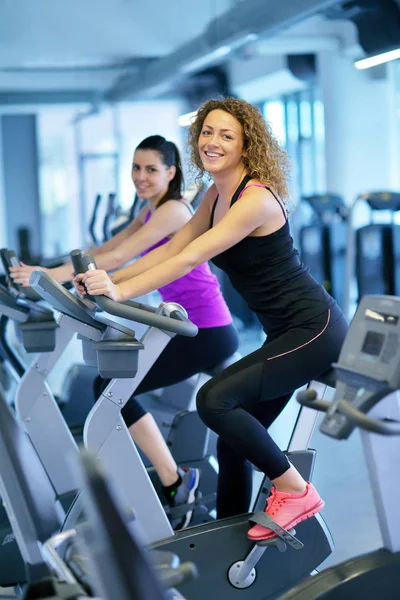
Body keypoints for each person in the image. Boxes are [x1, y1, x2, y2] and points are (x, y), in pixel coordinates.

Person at [74, 99, 348, 542]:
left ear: (246, 145)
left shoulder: (255, 197)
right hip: (287, 331)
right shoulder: (214, 195)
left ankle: (295, 490)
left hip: (313, 328)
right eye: (207, 132)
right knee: (233, 439)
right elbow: (169, 246)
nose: (213, 142)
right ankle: (228, 542)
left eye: (226, 135)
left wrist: (121, 291)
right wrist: (106, 280)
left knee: (214, 401)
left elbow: (190, 256)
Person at [10, 135, 239, 530]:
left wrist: (46, 276)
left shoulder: (174, 211)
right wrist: (49, 271)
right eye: (136, 168)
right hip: (188, 325)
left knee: (111, 390)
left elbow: (117, 259)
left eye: (151, 169)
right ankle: (171, 481)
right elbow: (108, 246)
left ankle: (176, 483)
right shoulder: (149, 209)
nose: (141, 177)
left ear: (171, 172)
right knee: (109, 387)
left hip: (205, 328)